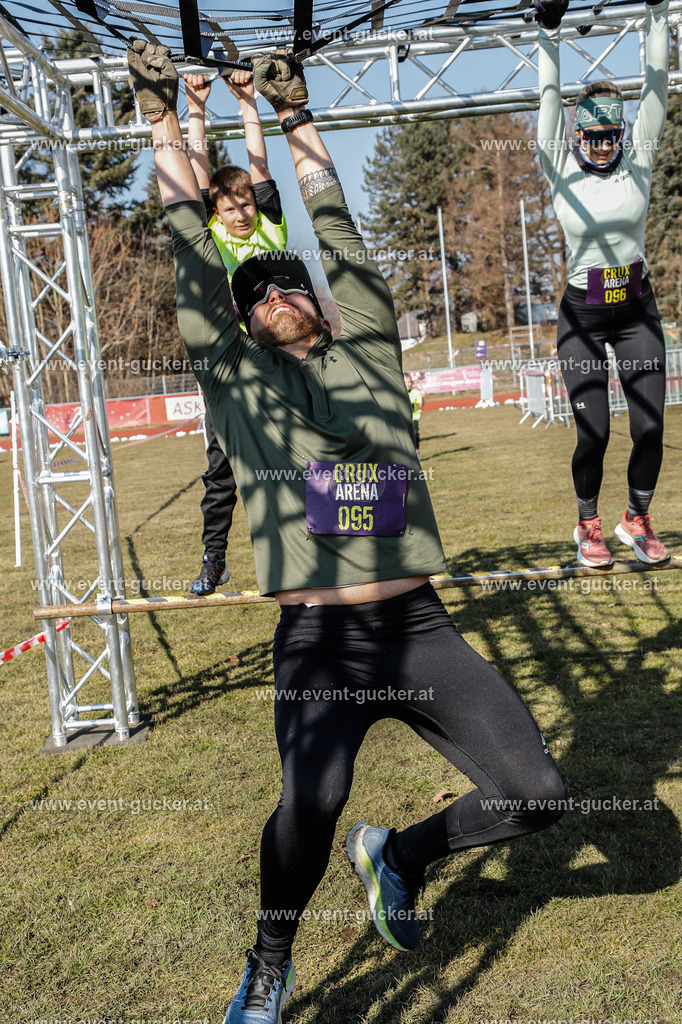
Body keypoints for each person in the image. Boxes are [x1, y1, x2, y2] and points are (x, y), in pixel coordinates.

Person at [128, 41, 566, 1024]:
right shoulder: (238, 384)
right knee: (310, 802)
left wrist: (295, 114)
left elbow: (333, 220)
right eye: (254, 294)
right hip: (321, 640)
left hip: (418, 627)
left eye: (286, 282)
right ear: (236, 325)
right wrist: (162, 116)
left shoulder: (366, 345)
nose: (272, 290)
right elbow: (189, 246)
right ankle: (271, 958)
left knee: (537, 793)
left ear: (318, 298)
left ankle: (401, 853)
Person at [534, 0, 672, 567]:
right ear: (576, 134)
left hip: (637, 309)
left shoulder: (637, 158)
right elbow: (546, 100)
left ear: (619, 133)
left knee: (651, 426)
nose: (599, 147)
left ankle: (635, 519)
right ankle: (587, 523)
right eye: (589, 137)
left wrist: (658, 10)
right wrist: (548, 32)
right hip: (584, 318)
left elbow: (659, 81)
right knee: (594, 433)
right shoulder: (558, 164)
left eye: (608, 136)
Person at [182, 67, 288, 595]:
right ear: (217, 215)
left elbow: (259, 163)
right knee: (220, 473)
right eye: (230, 208)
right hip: (230, 369)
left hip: (282, 364)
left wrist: (249, 104)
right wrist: (195, 111)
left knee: (306, 456)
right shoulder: (212, 239)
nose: (242, 212)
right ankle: (214, 558)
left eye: (247, 203)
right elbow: (198, 177)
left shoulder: (270, 225)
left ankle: (329, 541)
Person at [404, 373, 424, 457]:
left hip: (414, 417)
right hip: (404, 418)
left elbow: (421, 405)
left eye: (410, 382)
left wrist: (422, 397)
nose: (409, 384)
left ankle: (416, 450)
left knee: (415, 433)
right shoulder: (399, 393)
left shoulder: (415, 392)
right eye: (407, 382)